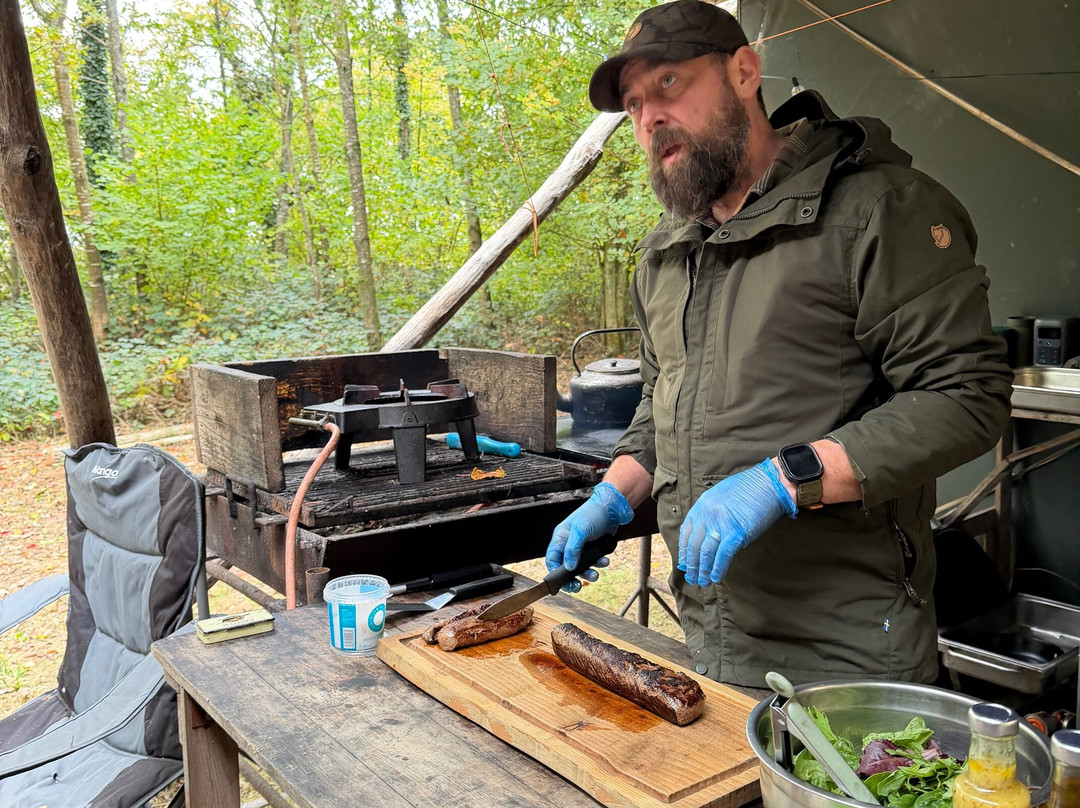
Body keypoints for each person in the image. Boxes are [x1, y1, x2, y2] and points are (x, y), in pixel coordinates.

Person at [545, 0, 1013, 688]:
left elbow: (965, 398)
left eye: (668, 85)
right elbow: (661, 407)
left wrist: (783, 479)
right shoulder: (666, 257)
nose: (649, 119)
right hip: (708, 640)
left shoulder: (877, 211)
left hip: (847, 652)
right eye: (634, 105)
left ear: (743, 72)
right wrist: (613, 497)